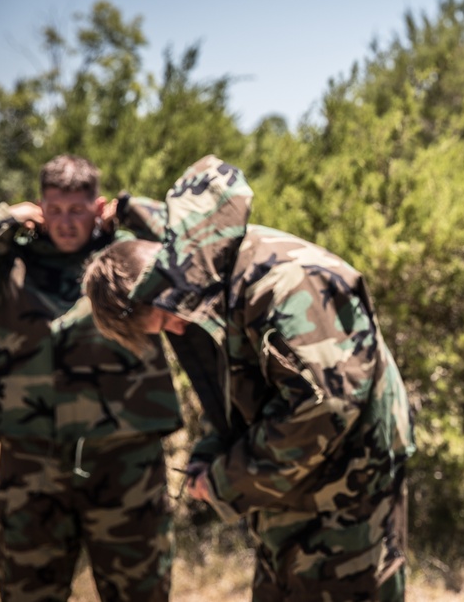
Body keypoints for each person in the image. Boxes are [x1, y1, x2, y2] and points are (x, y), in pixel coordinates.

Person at [82, 154, 416, 601]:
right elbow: (245, 393)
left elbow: (325, 408)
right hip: (294, 503)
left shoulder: (285, 283)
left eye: (164, 320)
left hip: (350, 502)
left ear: (161, 278)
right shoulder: (209, 282)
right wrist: (211, 452)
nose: (177, 329)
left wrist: (225, 481)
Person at [0, 154, 182, 601]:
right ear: (40, 209)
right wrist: (2, 221)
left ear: (95, 206)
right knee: (27, 592)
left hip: (125, 459)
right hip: (33, 463)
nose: (66, 222)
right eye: (55, 209)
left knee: (142, 592)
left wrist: (130, 208)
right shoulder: (11, 264)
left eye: (77, 209)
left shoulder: (128, 258)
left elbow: (190, 253)